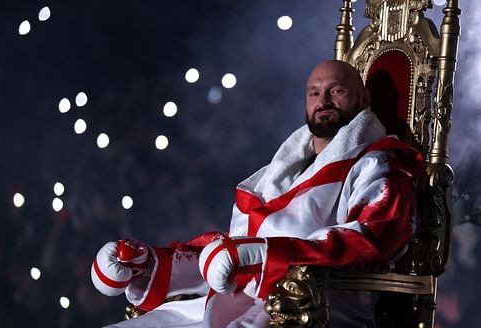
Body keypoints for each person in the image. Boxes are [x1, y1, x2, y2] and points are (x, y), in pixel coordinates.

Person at [91, 60, 422, 327]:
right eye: (314, 93)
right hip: (238, 300)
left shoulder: (379, 163)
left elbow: (373, 238)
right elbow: (235, 243)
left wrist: (262, 255)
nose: (323, 101)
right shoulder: (283, 169)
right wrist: (150, 264)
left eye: (336, 91)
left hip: (313, 306)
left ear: (363, 100)